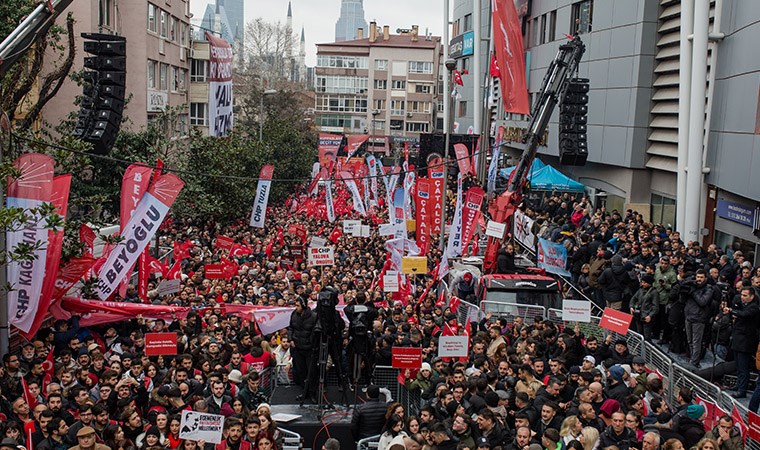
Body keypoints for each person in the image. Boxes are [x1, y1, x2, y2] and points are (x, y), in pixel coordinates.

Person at [728, 287, 760, 398]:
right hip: (738, 340)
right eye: (741, 294)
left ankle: (742, 390)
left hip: (745, 341)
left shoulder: (754, 308)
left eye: (745, 295)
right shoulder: (742, 305)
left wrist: (732, 311)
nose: (742, 297)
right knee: (738, 365)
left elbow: (745, 314)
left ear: (752, 296)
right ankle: (738, 385)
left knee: (743, 367)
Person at [288, 296, 316, 388]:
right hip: (297, 348)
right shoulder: (294, 314)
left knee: (311, 372)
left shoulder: (313, 316)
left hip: (309, 349)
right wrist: (290, 339)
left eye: (298, 306)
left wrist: (310, 342)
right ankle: (304, 390)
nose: (296, 308)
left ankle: (311, 390)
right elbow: (291, 328)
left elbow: (315, 332)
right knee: (301, 371)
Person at [629, 274, 659, 341]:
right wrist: (631, 307)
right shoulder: (640, 290)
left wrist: (650, 316)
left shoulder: (654, 292)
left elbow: (655, 306)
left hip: (646, 316)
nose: (642, 284)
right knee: (639, 334)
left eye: (644, 282)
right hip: (638, 315)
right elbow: (633, 299)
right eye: (642, 282)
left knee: (647, 336)